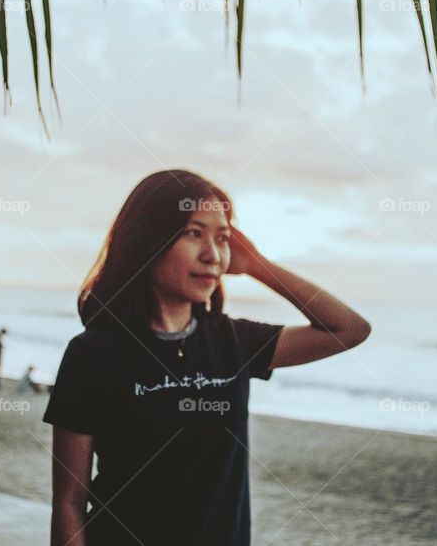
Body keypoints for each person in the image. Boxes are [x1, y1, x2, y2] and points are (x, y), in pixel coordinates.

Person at [42, 170, 372, 546]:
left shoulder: (236, 342)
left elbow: (348, 329)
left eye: (223, 239)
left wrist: (256, 265)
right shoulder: (93, 354)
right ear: (148, 239)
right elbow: (70, 501)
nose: (212, 255)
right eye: (194, 233)